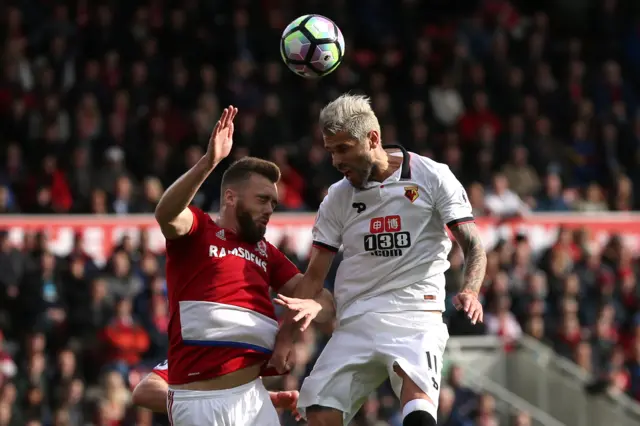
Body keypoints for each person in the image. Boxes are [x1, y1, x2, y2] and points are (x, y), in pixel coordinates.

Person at [270, 94, 488, 426]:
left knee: (418, 409)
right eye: (331, 151)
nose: (335, 161)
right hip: (354, 321)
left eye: (343, 148)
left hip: (415, 315)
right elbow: (313, 277)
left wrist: (471, 290)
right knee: (318, 416)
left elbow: (473, 245)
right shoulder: (337, 198)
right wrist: (286, 337)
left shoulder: (431, 176)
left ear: (373, 139)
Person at [154, 106, 335, 425]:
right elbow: (165, 214)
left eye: (274, 204)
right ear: (231, 198)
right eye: (262, 200)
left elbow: (319, 296)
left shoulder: (267, 253)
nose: (270, 210)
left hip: (252, 398)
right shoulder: (198, 229)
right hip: (199, 400)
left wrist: (299, 322)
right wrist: (209, 162)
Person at [131, 360, 301, 420]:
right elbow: (145, 391)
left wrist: (265, 399)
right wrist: (204, 403)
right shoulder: (195, 355)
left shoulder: (253, 354)